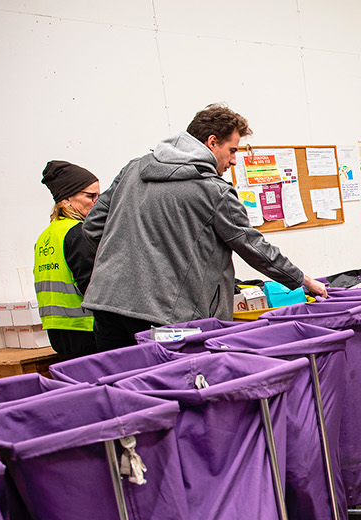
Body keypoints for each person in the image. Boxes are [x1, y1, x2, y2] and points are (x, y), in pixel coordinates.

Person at [82, 103, 327, 351]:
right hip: (165, 316)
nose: (233, 160)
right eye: (232, 150)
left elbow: (92, 227)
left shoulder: (134, 169)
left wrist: (126, 258)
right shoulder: (213, 190)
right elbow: (253, 247)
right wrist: (303, 280)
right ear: (212, 142)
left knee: (119, 386)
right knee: (166, 388)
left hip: (107, 303)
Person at [33, 160, 101, 360]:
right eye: (90, 196)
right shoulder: (78, 233)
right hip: (86, 329)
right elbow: (92, 285)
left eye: (98, 196)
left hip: (57, 330)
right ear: (67, 199)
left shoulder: (46, 236)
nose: (96, 202)